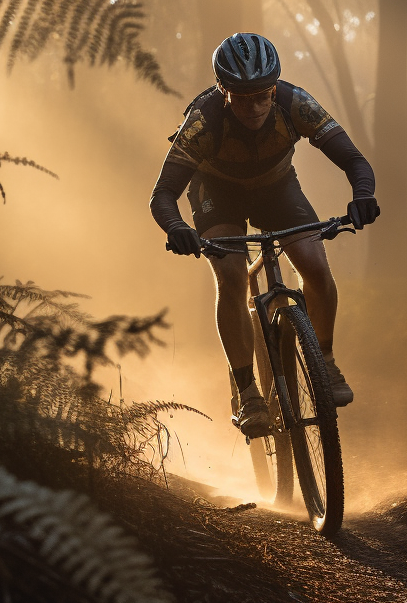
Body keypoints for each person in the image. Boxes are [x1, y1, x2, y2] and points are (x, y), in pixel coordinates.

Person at [149, 33, 379, 439]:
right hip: (217, 194)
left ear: (275, 88)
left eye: (263, 95)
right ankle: (248, 392)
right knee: (233, 276)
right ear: (223, 91)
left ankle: (323, 359)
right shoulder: (203, 121)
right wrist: (178, 228)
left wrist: (362, 197)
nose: (255, 107)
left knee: (314, 266)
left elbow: (355, 161)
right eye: (242, 97)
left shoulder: (295, 104)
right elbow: (163, 194)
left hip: (277, 187)